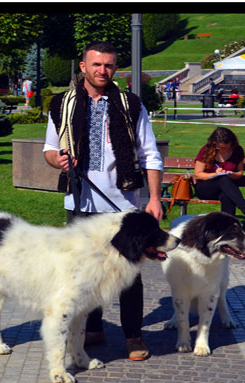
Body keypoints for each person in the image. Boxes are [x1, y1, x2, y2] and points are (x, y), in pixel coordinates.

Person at [43, 41, 164, 361]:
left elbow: (150, 154)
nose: (102, 71)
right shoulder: (61, 104)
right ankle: (93, 328)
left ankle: (133, 336)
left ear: (115, 68)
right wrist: (58, 161)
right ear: (82, 66)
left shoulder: (131, 104)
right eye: (96, 65)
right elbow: (49, 149)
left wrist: (154, 198)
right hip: (79, 202)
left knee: (129, 276)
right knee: (85, 274)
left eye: (109, 65)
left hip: (123, 204)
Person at [193, 127, 245, 222]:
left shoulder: (237, 150)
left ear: (232, 142)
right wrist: (215, 174)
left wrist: (231, 174)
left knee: (227, 195)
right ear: (214, 143)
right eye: (219, 147)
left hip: (227, 188)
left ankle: (227, 228)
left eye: (225, 147)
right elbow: (198, 174)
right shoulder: (206, 150)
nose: (222, 149)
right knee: (222, 179)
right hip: (205, 187)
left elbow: (240, 173)